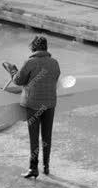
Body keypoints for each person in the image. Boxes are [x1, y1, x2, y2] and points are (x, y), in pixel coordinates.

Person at [9, 35, 61, 179]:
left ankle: (33, 168)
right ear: (45, 47)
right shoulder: (54, 63)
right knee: (47, 136)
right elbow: (55, 79)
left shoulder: (30, 62)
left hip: (33, 105)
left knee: (34, 137)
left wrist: (12, 69)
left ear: (34, 47)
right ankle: (46, 166)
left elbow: (18, 81)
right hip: (50, 103)